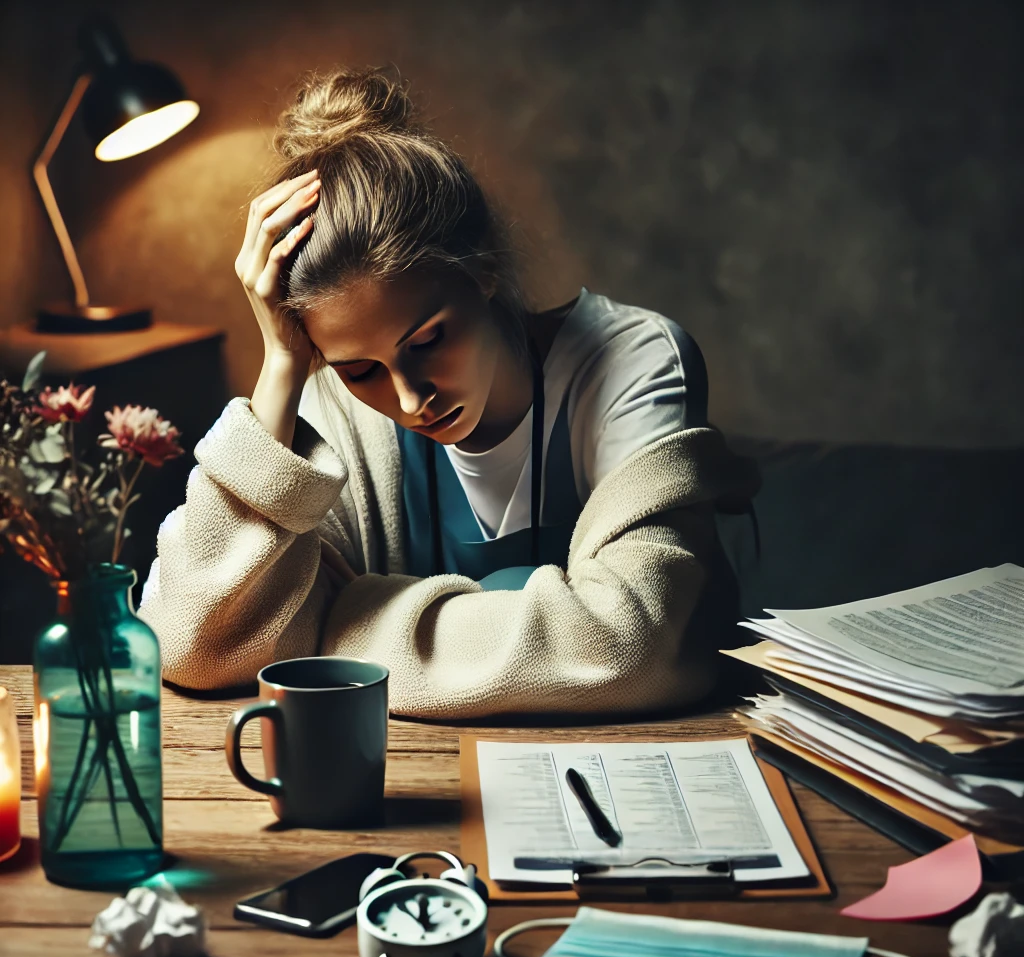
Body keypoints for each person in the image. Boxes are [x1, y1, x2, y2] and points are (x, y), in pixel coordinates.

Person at [138, 66, 759, 719]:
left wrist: (330, 629)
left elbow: (641, 646)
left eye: (428, 340)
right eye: (360, 369)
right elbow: (195, 649)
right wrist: (283, 363)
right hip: (414, 797)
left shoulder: (632, 360)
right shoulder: (330, 408)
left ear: (484, 270)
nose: (409, 399)